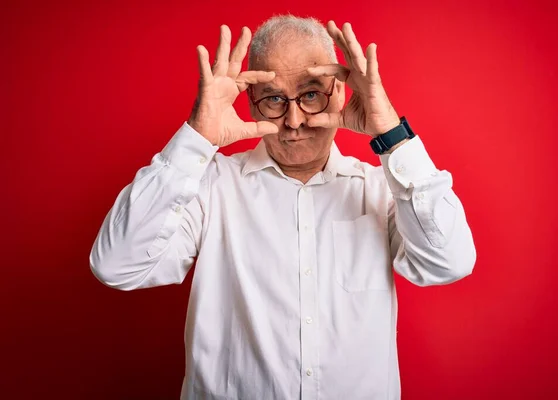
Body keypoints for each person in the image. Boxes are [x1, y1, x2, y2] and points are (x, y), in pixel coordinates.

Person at [90, 15, 476, 400]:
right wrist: (198, 136)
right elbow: (116, 265)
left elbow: (448, 262)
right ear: (252, 104)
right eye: (274, 98)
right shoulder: (211, 187)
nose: (294, 121)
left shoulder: (383, 189)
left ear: (340, 93)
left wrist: (391, 134)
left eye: (311, 94)